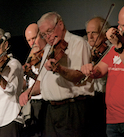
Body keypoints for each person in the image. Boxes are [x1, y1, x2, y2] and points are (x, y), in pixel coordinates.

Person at [19, 12, 93, 137]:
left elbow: (79, 76)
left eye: (49, 31)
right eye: (44, 35)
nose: (48, 37)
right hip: (51, 110)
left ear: (60, 24)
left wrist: (60, 69)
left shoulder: (78, 43)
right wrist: (28, 92)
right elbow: (41, 82)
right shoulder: (48, 48)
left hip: (71, 108)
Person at [81, 6, 124, 137]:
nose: (119, 28)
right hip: (113, 120)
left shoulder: (117, 47)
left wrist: (118, 46)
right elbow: (100, 70)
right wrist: (91, 70)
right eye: (119, 23)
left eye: (123, 25)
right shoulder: (113, 49)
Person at [85, 16, 111, 137]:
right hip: (88, 99)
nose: (90, 37)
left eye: (94, 33)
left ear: (104, 33)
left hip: (104, 99)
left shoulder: (111, 49)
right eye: (88, 33)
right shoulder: (85, 50)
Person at [21, 23, 47, 137]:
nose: (32, 43)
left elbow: (45, 81)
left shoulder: (49, 55)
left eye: (33, 38)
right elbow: (26, 83)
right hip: (32, 104)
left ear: (41, 35)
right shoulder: (32, 57)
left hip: (45, 102)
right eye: (29, 40)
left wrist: (31, 74)